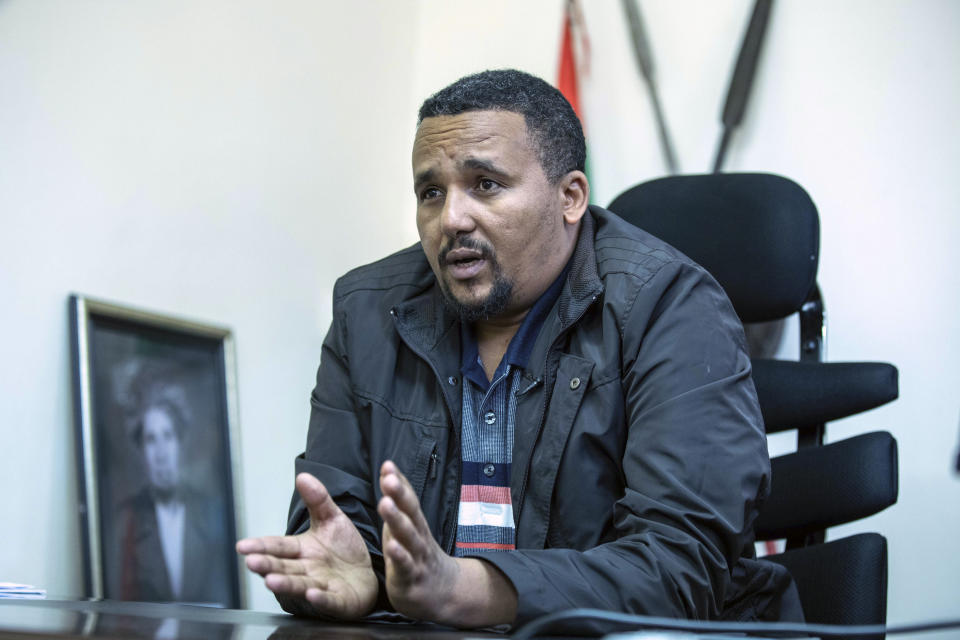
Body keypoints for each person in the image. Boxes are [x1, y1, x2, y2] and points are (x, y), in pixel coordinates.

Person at [237, 69, 801, 628]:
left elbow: (681, 568)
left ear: (571, 197)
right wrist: (357, 574)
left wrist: (460, 589)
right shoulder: (366, 311)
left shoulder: (672, 306)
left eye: (485, 184)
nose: (451, 219)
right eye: (431, 192)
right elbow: (337, 529)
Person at [113, 388, 233, 606]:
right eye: (151, 440)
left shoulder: (209, 512)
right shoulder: (127, 521)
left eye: (168, 436)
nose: (161, 453)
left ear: (180, 444)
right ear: (141, 452)